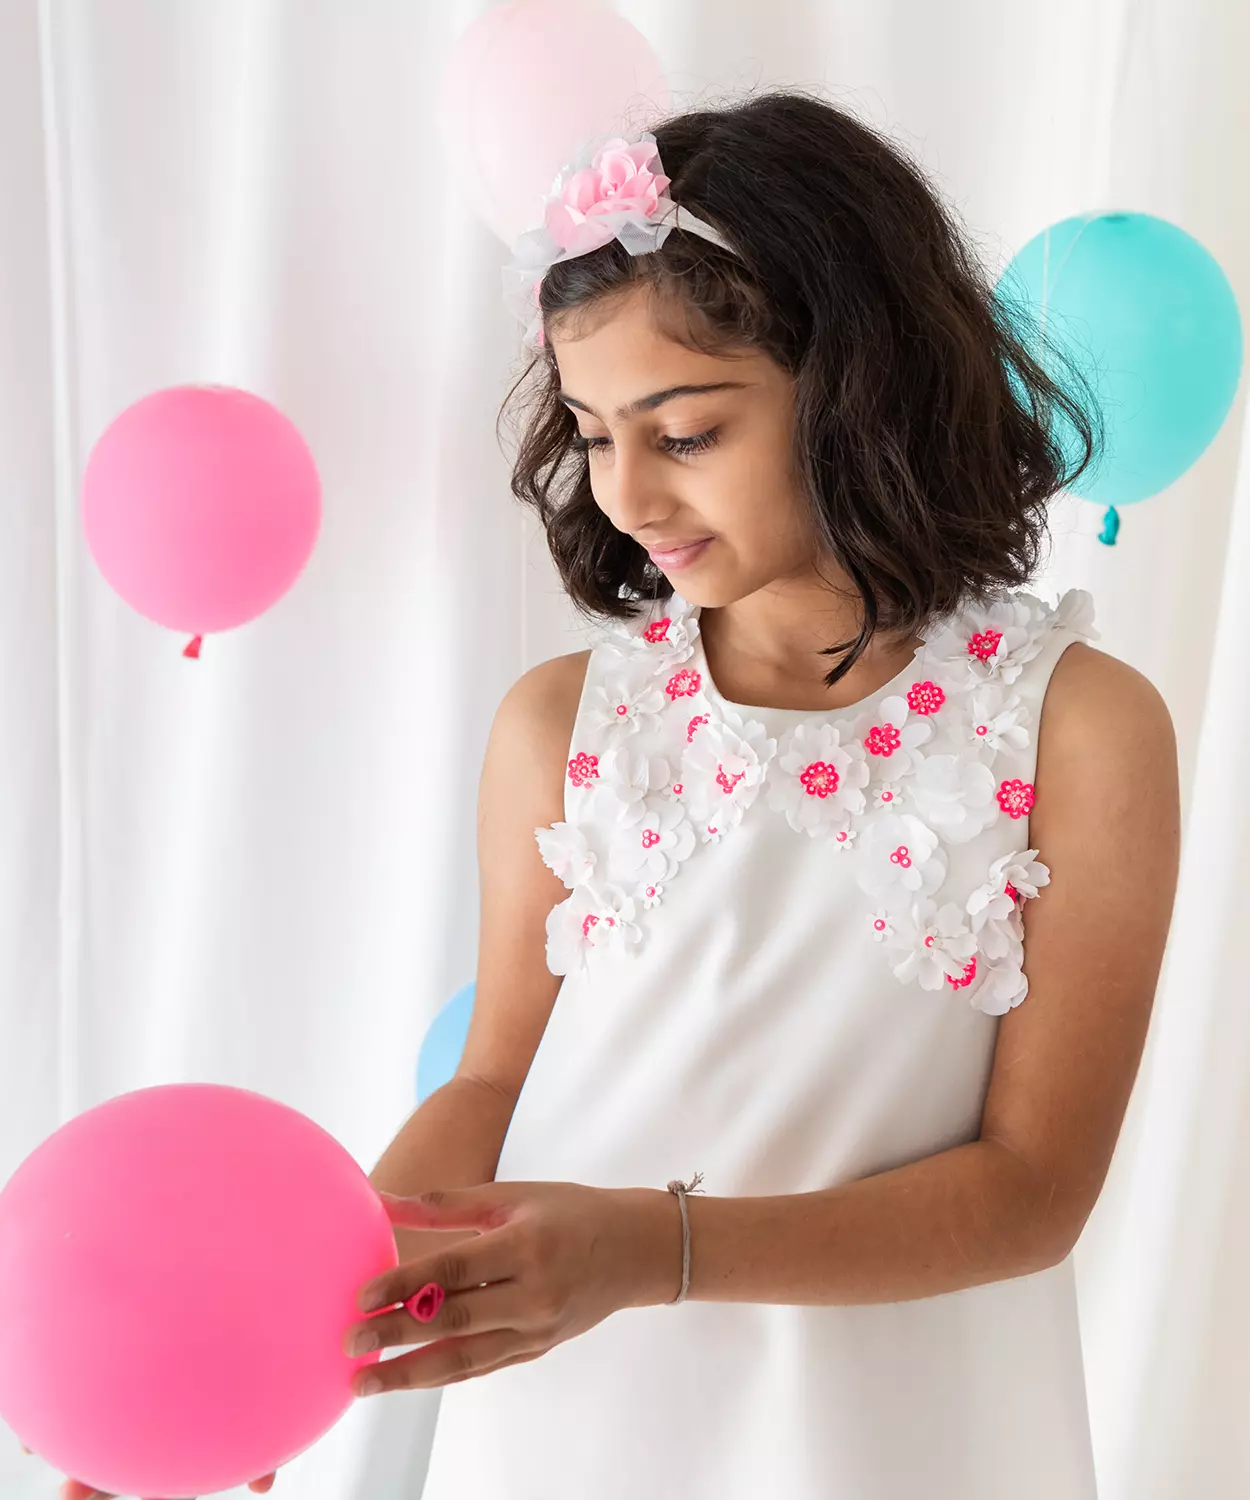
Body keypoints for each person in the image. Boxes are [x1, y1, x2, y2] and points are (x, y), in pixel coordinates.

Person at [48, 89, 1174, 1500]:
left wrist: (658, 1249)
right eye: (590, 433)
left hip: (893, 1431)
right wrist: (276, 1348)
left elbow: (1031, 1192)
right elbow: (495, 1082)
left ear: (859, 385)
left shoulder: (1076, 729)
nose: (627, 493)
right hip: (575, 1411)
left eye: (683, 431)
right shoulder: (562, 723)